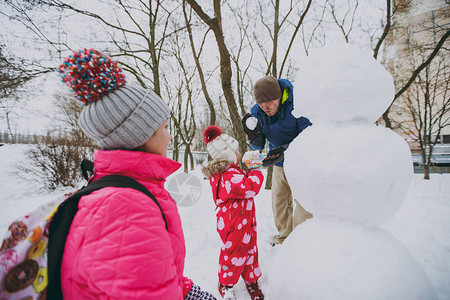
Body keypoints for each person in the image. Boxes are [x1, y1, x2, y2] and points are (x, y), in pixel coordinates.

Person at [58, 49, 215, 299]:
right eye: (164, 127)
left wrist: (186, 291)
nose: (170, 135)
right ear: (140, 135)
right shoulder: (127, 207)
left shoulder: (124, 189)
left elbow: (143, 275)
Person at [241, 75, 313, 245]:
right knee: (279, 200)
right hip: (278, 161)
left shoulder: (297, 104)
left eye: (271, 101)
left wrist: (288, 149)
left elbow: (309, 133)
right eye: (261, 103)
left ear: (280, 96)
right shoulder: (257, 112)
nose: (266, 106)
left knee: (303, 201)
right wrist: (255, 138)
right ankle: (284, 237)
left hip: (301, 159)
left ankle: (301, 239)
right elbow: (257, 146)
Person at [202, 126, 265, 300]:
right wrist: (256, 169)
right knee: (234, 253)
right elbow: (250, 187)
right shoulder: (227, 176)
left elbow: (243, 179)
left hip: (245, 223)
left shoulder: (232, 172)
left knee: (250, 250)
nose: (239, 153)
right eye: (236, 150)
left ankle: (251, 280)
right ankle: (226, 284)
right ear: (226, 153)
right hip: (234, 224)